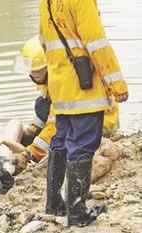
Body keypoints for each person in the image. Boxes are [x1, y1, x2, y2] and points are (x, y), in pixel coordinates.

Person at [39, 0, 128, 226]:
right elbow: (96, 42)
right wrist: (116, 83)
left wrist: (50, 84)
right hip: (83, 87)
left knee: (60, 141)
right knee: (82, 145)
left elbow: (43, 41)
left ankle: (53, 202)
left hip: (61, 86)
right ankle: (77, 212)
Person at [13, 35, 120, 164]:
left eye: (38, 72)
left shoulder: (65, 83)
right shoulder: (55, 74)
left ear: (49, 68)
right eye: (32, 72)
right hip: (82, 116)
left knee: (62, 137)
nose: (35, 77)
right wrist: (33, 130)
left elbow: (56, 125)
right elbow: (47, 108)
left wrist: (31, 153)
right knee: (42, 103)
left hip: (97, 124)